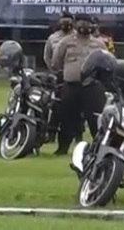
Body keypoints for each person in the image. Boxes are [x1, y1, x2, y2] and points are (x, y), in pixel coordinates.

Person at [50, 13, 109, 154]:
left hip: (93, 87)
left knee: (96, 119)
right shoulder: (65, 42)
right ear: (76, 24)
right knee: (67, 118)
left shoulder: (99, 44)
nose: (84, 26)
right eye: (81, 22)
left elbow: (107, 63)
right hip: (71, 86)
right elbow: (56, 62)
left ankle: (99, 148)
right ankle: (63, 148)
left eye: (87, 23)